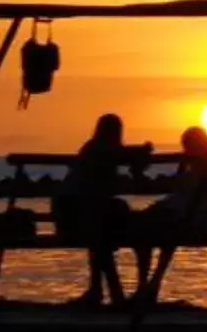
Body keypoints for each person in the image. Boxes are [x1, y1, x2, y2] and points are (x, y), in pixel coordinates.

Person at [129, 124, 207, 302]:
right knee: (144, 231)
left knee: (156, 232)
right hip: (175, 217)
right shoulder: (188, 175)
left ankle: (149, 286)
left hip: (187, 220)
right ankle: (146, 285)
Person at [54, 112, 147, 307]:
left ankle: (100, 290)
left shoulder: (94, 149)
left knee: (101, 233)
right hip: (74, 216)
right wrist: (142, 152)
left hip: (79, 214)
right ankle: (117, 294)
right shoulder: (99, 150)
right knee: (102, 237)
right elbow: (123, 156)